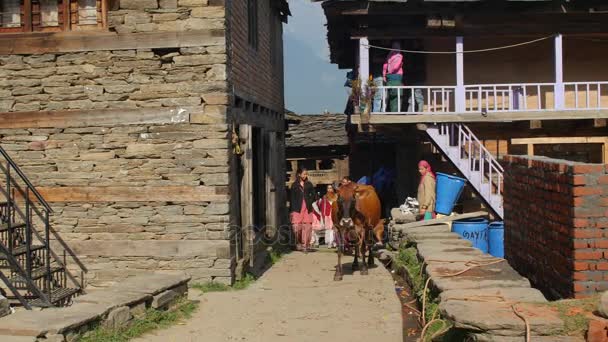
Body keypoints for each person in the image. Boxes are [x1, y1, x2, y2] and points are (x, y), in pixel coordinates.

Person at [290, 168, 316, 252]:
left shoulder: (309, 184)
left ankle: (305, 245)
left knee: (307, 226)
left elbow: (313, 194)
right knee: (296, 227)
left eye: (306, 174)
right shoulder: (295, 185)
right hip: (297, 208)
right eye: (304, 174)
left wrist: (310, 200)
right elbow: (291, 197)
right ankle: (299, 243)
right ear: (299, 174)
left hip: (307, 208)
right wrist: (292, 208)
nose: (305, 175)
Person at [383, 41, 404, 113]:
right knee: (396, 95)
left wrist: (384, 74)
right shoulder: (399, 56)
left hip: (390, 76)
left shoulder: (389, 56)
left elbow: (385, 65)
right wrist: (389, 72)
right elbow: (396, 67)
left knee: (392, 95)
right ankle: (395, 112)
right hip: (395, 76)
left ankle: (393, 111)